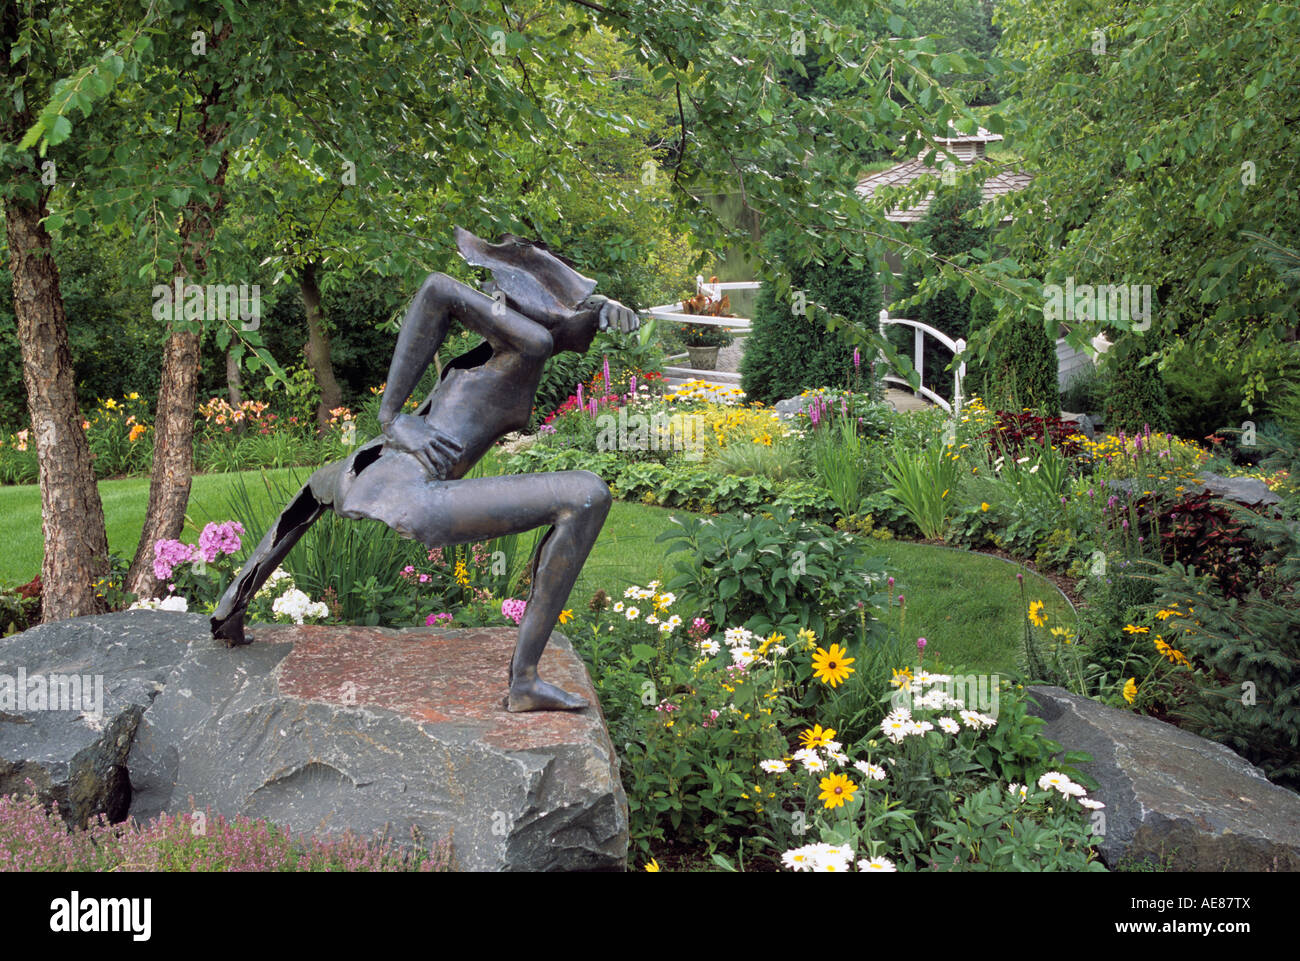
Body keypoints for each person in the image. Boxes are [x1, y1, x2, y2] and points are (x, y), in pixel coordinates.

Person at [210, 226, 639, 711]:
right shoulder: (533, 341)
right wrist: (393, 417)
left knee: (315, 489)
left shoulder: (516, 343)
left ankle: (228, 608)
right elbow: (438, 288)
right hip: (414, 489)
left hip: (371, 470)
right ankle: (523, 681)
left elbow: (308, 497)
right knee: (587, 495)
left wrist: (600, 307)